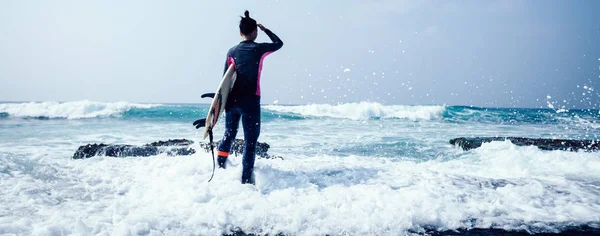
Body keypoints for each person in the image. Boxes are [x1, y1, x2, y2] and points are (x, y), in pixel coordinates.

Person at [217, 10, 283, 184]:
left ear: (240, 33)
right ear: (254, 32)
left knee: (228, 135)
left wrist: (222, 104)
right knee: (250, 143)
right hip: (251, 102)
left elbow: (225, 80)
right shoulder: (259, 48)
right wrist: (266, 30)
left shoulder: (231, 51)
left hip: (232, 101)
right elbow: (279, 43)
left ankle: (220, 168)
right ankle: (245, 181)